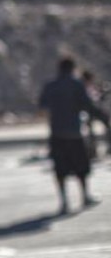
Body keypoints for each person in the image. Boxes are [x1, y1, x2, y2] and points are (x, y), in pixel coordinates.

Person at [39, 57, 108, 213]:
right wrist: (104, 118)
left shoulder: (50, 86)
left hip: (56, 133)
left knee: (60, 169)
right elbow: (88, 106)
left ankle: (64, 202)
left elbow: (42, 108)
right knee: (81, 167)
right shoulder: (77, 84)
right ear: (72, 68)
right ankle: (85, 196)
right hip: (74, 133)